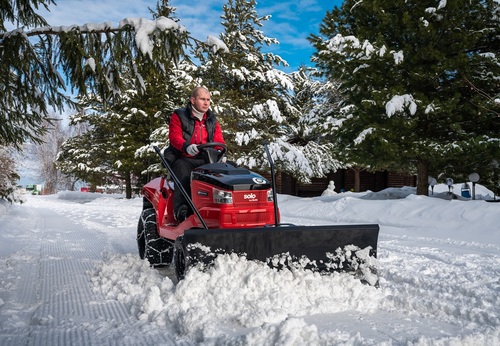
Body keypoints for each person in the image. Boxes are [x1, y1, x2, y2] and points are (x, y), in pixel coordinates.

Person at [168, 86, 226, 222]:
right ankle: (182, 210)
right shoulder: (179, 115)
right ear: (193, 100)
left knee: (231, 168)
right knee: (182, 168)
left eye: (208, 100)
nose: (206, 103)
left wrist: (220, 153)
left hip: (207, 159)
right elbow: (174, 136)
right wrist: (186, 147)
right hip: (185, 157)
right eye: (202, 99)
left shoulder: (212, 119)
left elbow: (218, 139)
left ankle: (224, 209)